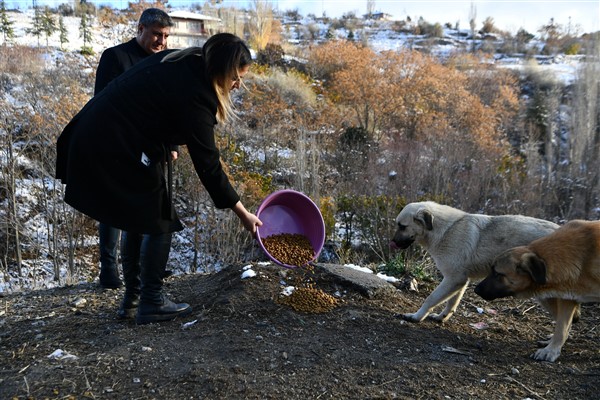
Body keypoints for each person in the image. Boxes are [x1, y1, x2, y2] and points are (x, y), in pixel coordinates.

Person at [56, 33, 262, 324]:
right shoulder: (198, 94)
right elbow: (209, 166)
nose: (238, 85)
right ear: (219, 71)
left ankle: (133, 300)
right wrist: (242, 212)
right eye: (235, 78)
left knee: (138, 217)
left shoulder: (186, 60)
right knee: (158, 218)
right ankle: (151, 300)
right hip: (111, 141)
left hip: (101, 133)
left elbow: (157, 103)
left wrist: (168, 145)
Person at [94, 8, 175, 290]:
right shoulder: (115, 56)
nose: (161, 41)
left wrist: (171, 143)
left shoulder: (165, 61)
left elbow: (168, 108)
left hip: (152, 148)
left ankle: (142, 268)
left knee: (146, 207)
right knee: (114, 206)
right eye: (156, 34)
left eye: (165, 36)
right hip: (117, 143)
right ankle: (109, 269)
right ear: (140, 28)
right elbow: (102, 103)